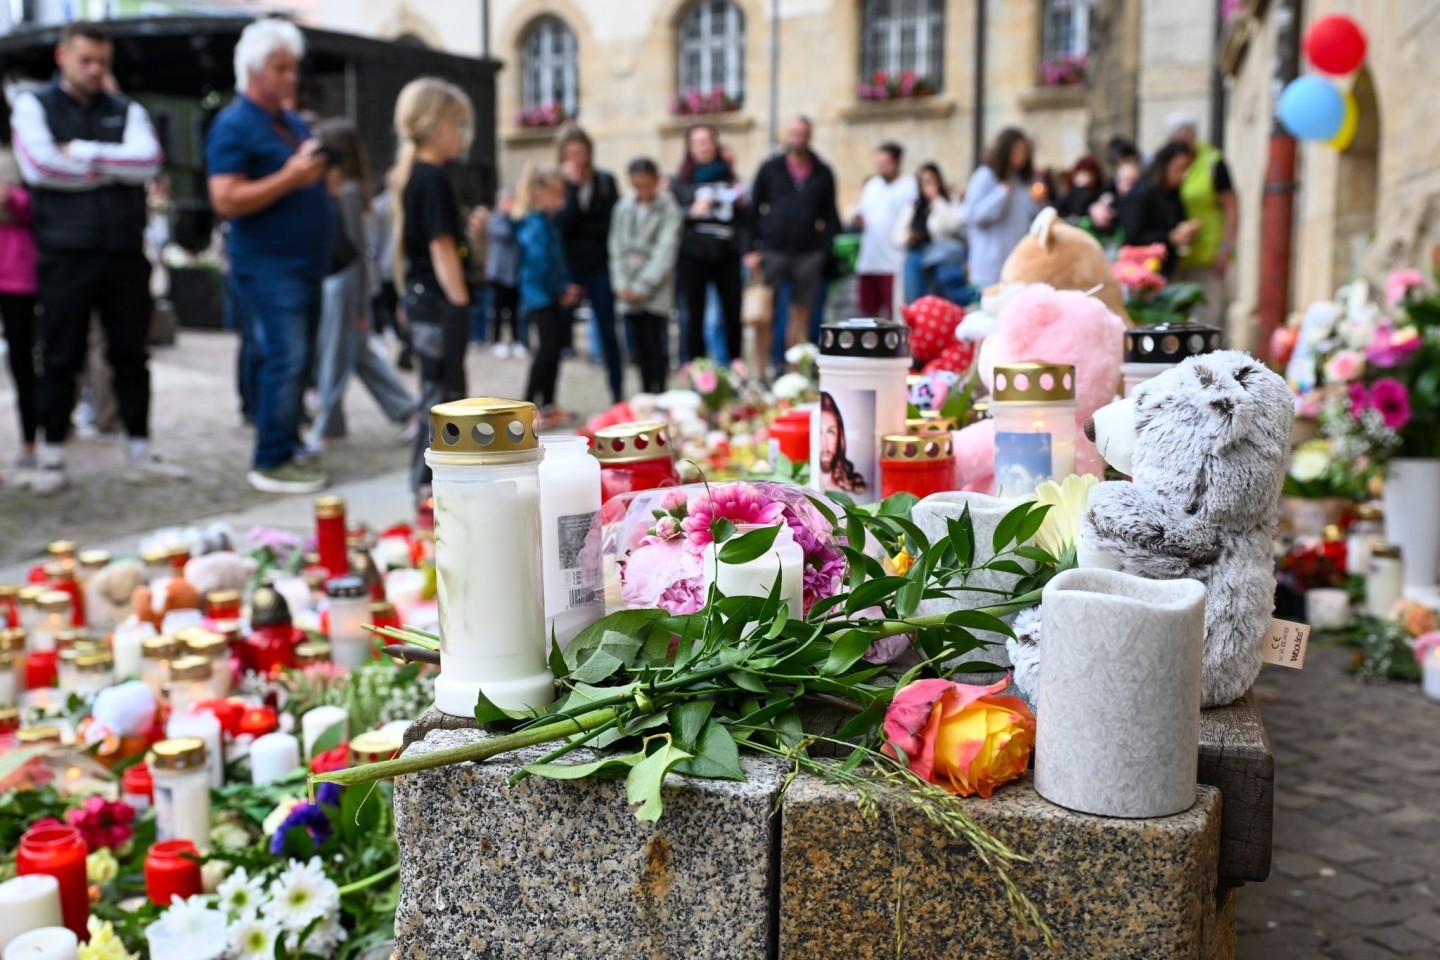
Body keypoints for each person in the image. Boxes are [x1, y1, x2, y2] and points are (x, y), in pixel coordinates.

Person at [10, 19, 178, 493]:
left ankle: (140, 448)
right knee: (61, 353)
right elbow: (41, 167)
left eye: (102, 62)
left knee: (130, 353)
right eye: (86, 60)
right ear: (63, 57)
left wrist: (82, 153)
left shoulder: (125, 108)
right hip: (65, 251)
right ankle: (52, 453)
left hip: (123, 250)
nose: (95, 70)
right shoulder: (35, 104)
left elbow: (147, 161)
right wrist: (114, 166)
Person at [207, 18, 335, 494]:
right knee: (284, 358)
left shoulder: (290, 121)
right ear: (254, 70)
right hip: (268, 266)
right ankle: (271, 459)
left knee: (295, 362)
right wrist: (292, 177)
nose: (291, 77)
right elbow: (225, 199)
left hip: (305, 264)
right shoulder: (234, 125)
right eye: (280, 68)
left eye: (293, 67)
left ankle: (285, 440)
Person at [307, 118, 416, 450]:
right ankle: (405, 411)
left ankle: (329, 426)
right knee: (357, 356)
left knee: (336, 360)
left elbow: (353, 253)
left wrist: (358, 307)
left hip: (345, 287)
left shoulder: (349, 191)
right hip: (342, 286)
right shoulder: (347, 189)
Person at [390, 78, 475, 496]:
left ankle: (430, 484)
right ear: (439, 125)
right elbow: (441, 247)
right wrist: (460, 304)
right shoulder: (432, 178)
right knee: (445, 398)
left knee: (436, 394)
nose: (461, 135)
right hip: (439, 303)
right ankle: (430, 486)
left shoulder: (417, 176)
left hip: (424, 300)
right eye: (458, 125)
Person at [747, 116, 840, 367]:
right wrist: (751, 249)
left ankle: (796, 368)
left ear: (809, 136)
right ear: (786, 135)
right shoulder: (770, 168)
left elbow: (831, 215)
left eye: (803, 133)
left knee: (802, 313)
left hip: (808, 253)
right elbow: (754, 210)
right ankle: (765, 367)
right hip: (774, 250)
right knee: (767, 313)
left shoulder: (822, 172)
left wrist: (824, 249)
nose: (798, 137)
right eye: (794, 132)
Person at [554, 125, 622, 403]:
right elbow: (561, 224)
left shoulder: (605, 181)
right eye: (570, 154)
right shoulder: (557, 185)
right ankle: (548, 400)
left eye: (580, 153)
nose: (576, 159)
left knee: (608, 329)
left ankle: (617, 393)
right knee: (557, 334)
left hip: (599, 266)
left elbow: (612, 223)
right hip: (568, 268)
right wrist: (570, 189)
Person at [670, 123, 746, 363]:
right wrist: (690, 212)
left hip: (727, 252)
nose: (703, 147)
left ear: (716, 144)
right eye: (697, 142)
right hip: (693, 254)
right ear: (690, 148)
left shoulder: (731, 177)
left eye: (707, 141)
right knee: (694, 314)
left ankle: (733, 365)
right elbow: (672, 219)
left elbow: (746, 219)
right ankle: (696, 367)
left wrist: (743, 203)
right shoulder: (681, 182)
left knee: (732, 313)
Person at [609, 157, 682, 395]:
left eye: (645, 184)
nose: (641, 190)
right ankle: (643, 394)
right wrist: (622, 284)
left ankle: (659, 393)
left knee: (655, 344)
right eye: (636, 185)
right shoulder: (623, 207)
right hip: (627, 287)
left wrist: (643, 286)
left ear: (656, 181)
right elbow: (616, 246)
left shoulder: (668, 208)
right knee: (636, 347)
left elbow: (665, 250)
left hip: (654, 289)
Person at [516, 162, 582, 425]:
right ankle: (527, 406)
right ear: (538, 193)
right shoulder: (533, 224)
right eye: (557, 195)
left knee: (554, 350)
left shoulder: (548, 222)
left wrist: (567, 286)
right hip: (540, 296)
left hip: (551, 295)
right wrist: (560, 289)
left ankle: (548, 404)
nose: (560, 201)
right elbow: (542, 263)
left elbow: (558, 260)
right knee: (545, 351)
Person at [1167, 115, 1238, 327]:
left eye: (1184, 139)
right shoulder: (1171, 162)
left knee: (1205, 320)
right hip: (1179, 254)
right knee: (1178, 322)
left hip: (1209, 253)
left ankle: (1207, 361)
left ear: (1193, 137)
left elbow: (1232, 207)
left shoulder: (1213, 162)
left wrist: (1226, 248)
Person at [962, 127, 1042, 290]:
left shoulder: (1021, 180)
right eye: (1018, 150)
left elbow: (1029, 216)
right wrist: (1001, 193)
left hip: (1016, 261)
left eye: (1025, 151)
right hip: (990, 266)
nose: (1022, 156)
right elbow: (972, 215)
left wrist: (1038, 200)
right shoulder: (984, 176)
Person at [0, 146, 38, 482]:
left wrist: (10, 199)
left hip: (16, 270)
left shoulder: (18, 153)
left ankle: (30, 441)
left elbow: (42, 207)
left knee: (22, 359)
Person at [852, 141, 915, 318]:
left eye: (885, 163)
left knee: (893, 315)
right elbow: (862, 212)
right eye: (878, 163)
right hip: (869, 261)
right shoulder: (872, 185)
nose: (881, 168)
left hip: (894, 262)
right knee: (868, 314)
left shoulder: (909, 185)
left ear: (897, 163)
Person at [1119, 140, 1198, 277]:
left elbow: (1177, 222)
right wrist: (1169, 237)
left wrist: (1185, 230)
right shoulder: (1143, 192)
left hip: (1168, 267)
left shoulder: (1173, 193)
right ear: (1166, 165)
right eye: (1179, 167)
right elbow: (1133, 235)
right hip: (1141, 271)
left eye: (1187, 168)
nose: (1183, 174)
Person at [892, 162, 965, 304]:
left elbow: (953, 225)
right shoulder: (913, 206)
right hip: (915, 253)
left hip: (939, 257)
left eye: (931, 180)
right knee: (914, 298)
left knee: (938, 298)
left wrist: (937, 200)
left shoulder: (948, 202)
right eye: (923, 181)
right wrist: (910, 236)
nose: (928, 185)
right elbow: (896, 235)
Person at [368, 166, 411, 369]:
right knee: (396, 306)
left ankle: (403, 343)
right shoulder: (382, 205)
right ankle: (402, 343)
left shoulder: (406, 202)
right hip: (392, 266)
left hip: (400, 266)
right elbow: (375, 241)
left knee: (400, 307)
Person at [485, 188, 524, 358]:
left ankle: (517, 341)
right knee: (498, 309)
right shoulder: (495, 219)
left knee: (515, 311)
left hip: (515, 271)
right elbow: (506, 234)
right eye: (507, 201)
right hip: (498, 273)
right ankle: (496, 341)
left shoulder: (518, 220)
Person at [816, 391, 866, 495]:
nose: (824, 443)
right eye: (819, 432)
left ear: (840, 437)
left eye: (831, 432)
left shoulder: (856, 490)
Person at [1057, 156, 1105, 222]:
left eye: (1090, 173)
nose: (1087, 177)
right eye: (1083, 173)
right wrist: (1080, 189)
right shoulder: (1069, 196)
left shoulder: (1102, 193)